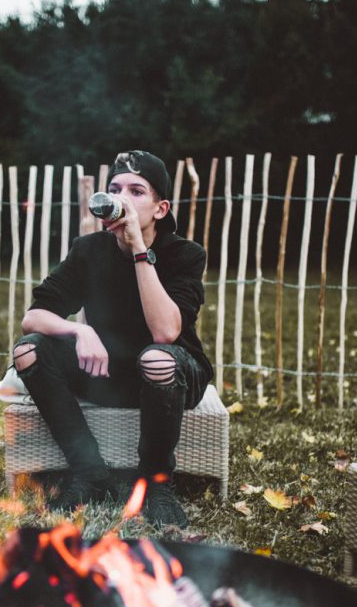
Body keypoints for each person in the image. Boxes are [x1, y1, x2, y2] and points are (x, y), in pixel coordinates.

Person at [12, 149, 213, 529]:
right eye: (115, 189)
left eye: (137, 191)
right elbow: (33, 317)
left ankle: (156, 484)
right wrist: (79, 329)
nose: (122, 199)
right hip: (107, 372)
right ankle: (90, 474)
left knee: (157, 357)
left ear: (160, 208)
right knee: (28, 352)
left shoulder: (184, 255)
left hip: (172, 373)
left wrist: (140, 249)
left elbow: (166, 332)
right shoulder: (88, 250)